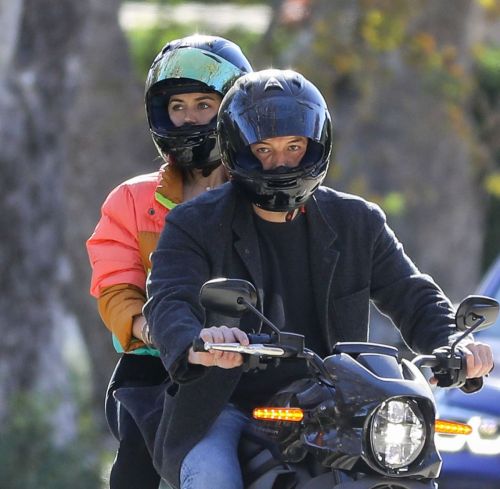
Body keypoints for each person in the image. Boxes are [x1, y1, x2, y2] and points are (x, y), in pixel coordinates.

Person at [142, 69, 494, 488]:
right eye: (263, 149)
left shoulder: (357, 221)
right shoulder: (194, 223)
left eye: (294, 146)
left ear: (316, 143)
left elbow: (412, 294)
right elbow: (169, 299)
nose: (281, 161)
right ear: (239, 151)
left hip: (336, 406)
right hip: (226, 403)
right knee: (214, 477)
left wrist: (455, 343)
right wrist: (197, 344)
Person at [86, 35, 252, 489]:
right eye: (177, 106)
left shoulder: (265, 196)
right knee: (136, 470)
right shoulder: (132, 200)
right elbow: (115, 288)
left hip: (255, 363)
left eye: (204, 103)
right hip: (158, 368)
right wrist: (153, 328)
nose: (189, 117)